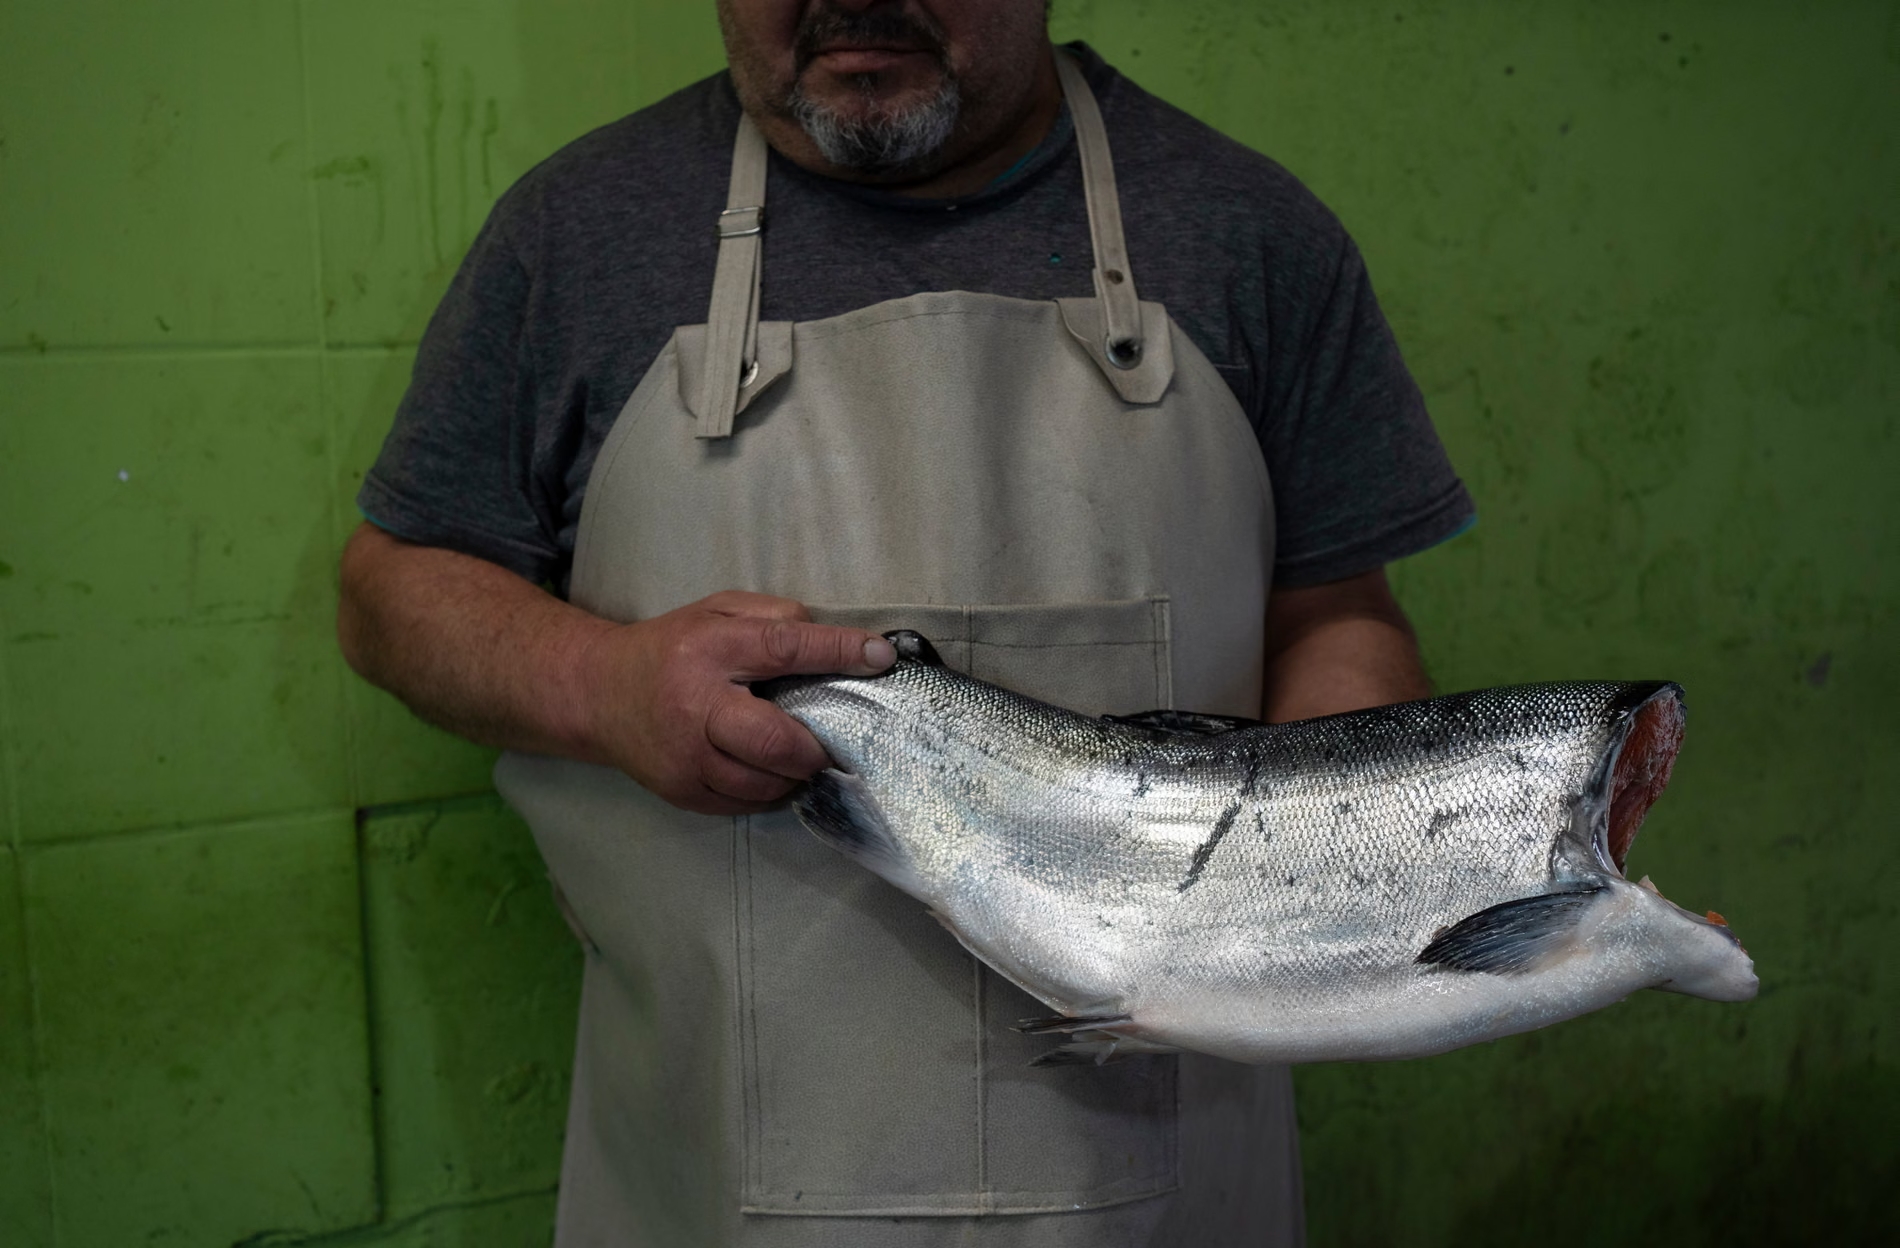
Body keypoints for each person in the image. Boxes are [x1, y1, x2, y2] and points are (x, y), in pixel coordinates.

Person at [338, 1, 1474, 1243]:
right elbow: (395, 589)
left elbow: (1334, 616)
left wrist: (1338, 868)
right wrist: (600, 684)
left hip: (1175, 1198)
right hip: (709, 1193)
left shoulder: (1248, 233)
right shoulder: (578, 231)